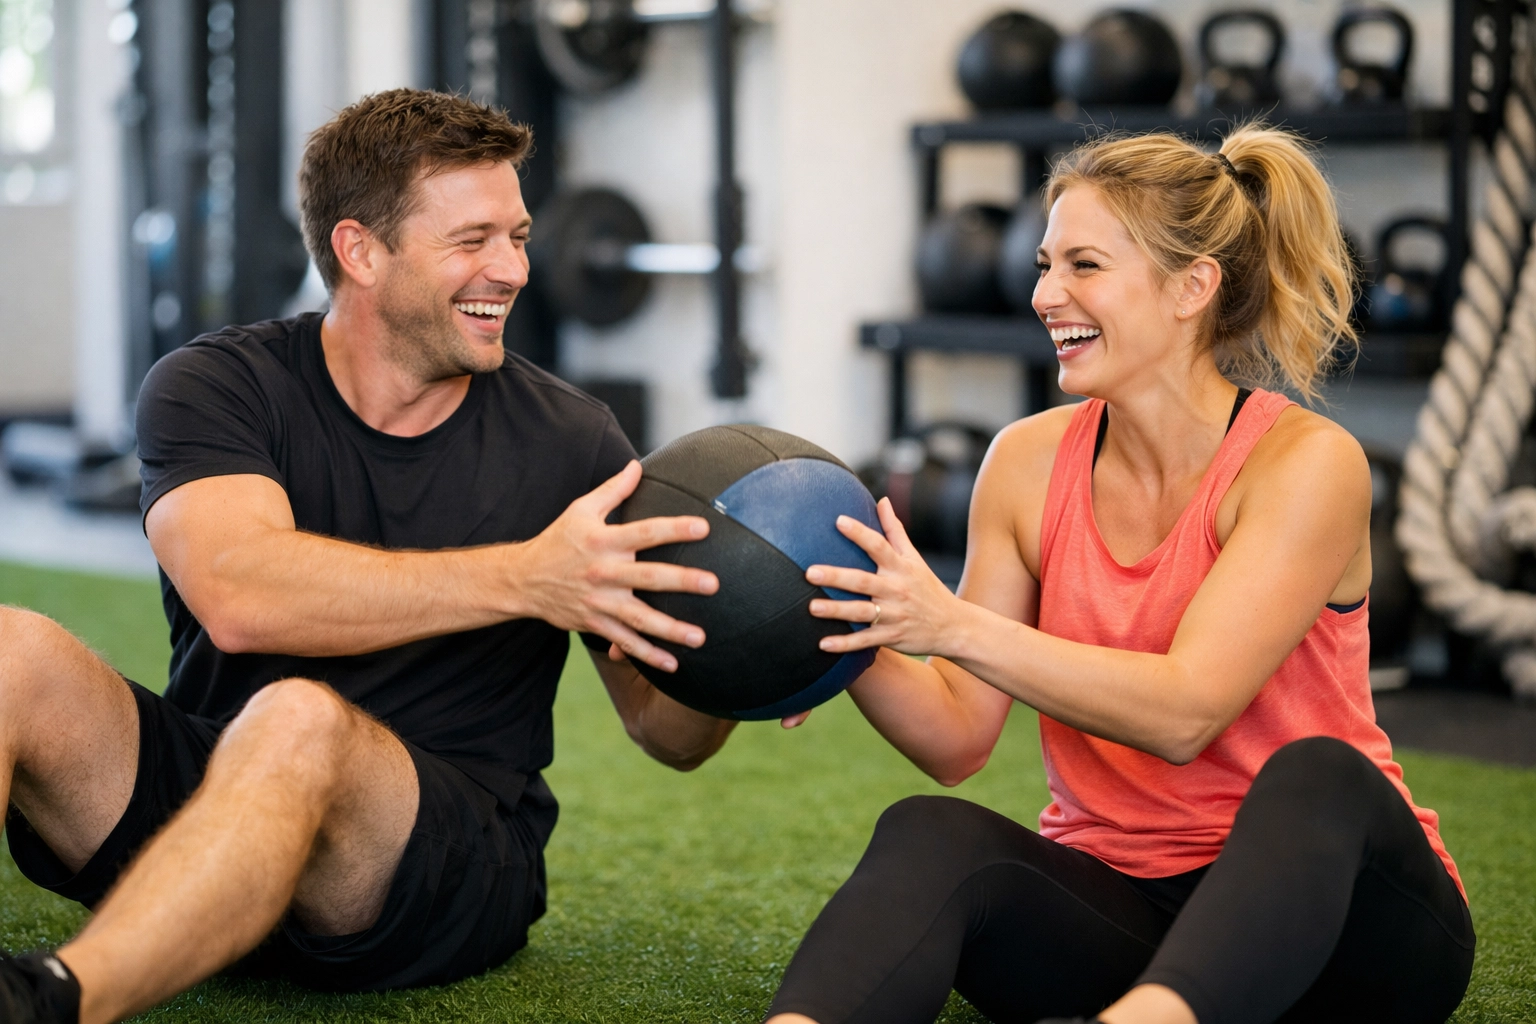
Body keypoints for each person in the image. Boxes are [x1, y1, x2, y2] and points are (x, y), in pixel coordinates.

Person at [0, 88, 738, 1024]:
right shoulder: (217, 386)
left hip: (438, 865)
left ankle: (54, 1002)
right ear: (360, 251)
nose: (512, 269)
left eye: (516, 236)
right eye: (472, 240)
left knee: (299, 718)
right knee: (11, 649)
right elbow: (239, 593)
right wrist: (526, 576)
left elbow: (663, 732)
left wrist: (746, 654)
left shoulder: (573, 443)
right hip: (215, 811)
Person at [763, 126, 1475, 1024]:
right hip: (1129, 912)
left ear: (1191, 287)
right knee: (928, 831)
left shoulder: (1306, 464)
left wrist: (951, 624)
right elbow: (957, 738)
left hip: (1344, 932)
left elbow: (1185, 712)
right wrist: (852, 628)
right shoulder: (1023, 464)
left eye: (1084, 266)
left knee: (1320, 775)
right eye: (1044, 264)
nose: (1043, 294)